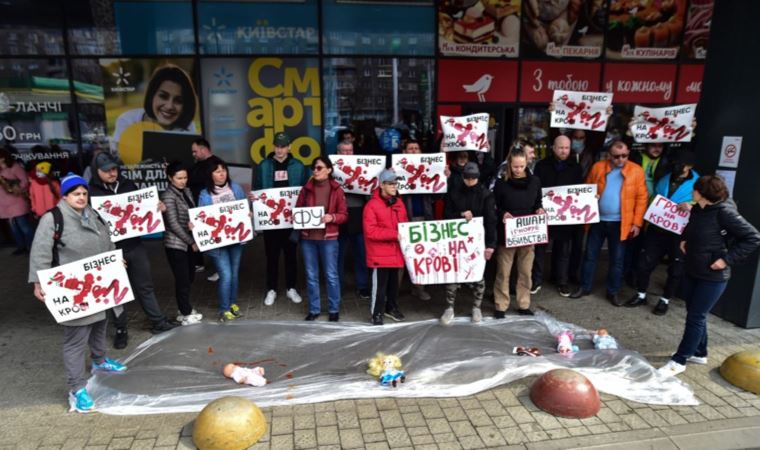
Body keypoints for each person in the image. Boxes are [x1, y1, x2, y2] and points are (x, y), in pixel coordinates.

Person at [28, 173, 127, 413]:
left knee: (100, 324)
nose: (81, 197)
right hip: (75, 290)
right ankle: (77, 389)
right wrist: (38, 282)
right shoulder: (53, 219)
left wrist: (116, 262)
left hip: (99, 285)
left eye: (84, 193)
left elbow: (108, 242)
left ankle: (100, 360)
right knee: (75, 339)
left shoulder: (94, 214)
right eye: (76, 194)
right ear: (65, 196)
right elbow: (40, 251)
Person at [659, 175, 760, 377]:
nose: (692, 193)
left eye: (695, 190)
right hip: (694, 268)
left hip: (714, 276)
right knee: (695, 312)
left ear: (703, 194)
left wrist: (726, 260)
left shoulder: (725, 213)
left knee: (696, 316)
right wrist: (684, 240)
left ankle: (679, 360)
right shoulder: (698, 208)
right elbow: (692, 228)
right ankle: (699, 352)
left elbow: (753, 237)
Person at [88, 152, 177, 348]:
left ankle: (158, 321)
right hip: (110, 251)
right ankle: (121, 329)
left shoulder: (128, 185)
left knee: (145, 285)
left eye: (114, 169)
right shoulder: (90, 192)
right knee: (116, 292)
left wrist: (157, 208)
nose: (112, 173)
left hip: (134, 245)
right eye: (107, 171)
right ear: (97, 171)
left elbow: (142, 209)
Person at [570, 141, 648, 305]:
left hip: (622, 222)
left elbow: (642, 199)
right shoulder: (598, 167)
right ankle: (585, 287)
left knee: (617, 260)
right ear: (609, 155)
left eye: (624, 156)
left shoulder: (636, 171)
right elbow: (587, 188)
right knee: (590, 256)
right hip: (597, 220)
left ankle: (613, 291)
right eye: (616, 156)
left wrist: (637, 223)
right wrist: (591, 197)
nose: (621, 159)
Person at [626, 152, 699, 315]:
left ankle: (665, 300)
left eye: (681, 165)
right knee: (644, 263)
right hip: (657, 229)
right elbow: (653, 199)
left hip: (679, 234)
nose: (677, 167)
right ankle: (641, 294)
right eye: (675, 164)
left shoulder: (698, 183)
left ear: (690, 167)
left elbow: (706, 206)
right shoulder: (665, 178)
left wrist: (692, 206)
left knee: (675, 269)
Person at [253, 132, 307, 306]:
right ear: (273, 146)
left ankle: (291, 288)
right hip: (271, 220)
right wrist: (255, 199)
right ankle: (271, 289)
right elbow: (257, 189)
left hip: (291, 220)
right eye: (277, 145)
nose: (280, 149)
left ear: (289, 147)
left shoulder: (299, 166)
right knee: (271, 256)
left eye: (283, 146)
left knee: (291, 255)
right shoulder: (263, 165)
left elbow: (306, 191)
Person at [440, 162, 497, 325]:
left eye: (473, 178)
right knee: (453, 274)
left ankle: (476, 307)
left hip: (477, 242)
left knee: (478, 274)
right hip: (456, 241)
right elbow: (446, 215)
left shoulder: (486, 194)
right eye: (467, 178)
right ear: (463, 177)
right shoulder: (454, 192)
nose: (470, 181)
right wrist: (460, 214)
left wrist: (490, 245)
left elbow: (491, 221)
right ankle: (449, 307)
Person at [197, 156, 251, 322]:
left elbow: (244, 207)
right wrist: (196, 225)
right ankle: (224, 308)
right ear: (210, 174)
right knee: (226, 275)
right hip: (218, 243)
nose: (221, 174)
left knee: (234, 274)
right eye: (217, 171)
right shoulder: (205, 194)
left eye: (223, 170)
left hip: (236, 239)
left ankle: (233, 304)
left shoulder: (235, 188)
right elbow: (201, 217)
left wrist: (248, 214)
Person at [295, 156, 348, 321]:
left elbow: (344, 215)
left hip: (329, 239)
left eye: (319, 168)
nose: (315, 171)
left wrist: (332, 218)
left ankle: (334, 309)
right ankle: (314, 309)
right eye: (314, 168)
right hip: (308, 238)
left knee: (331, 275)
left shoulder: (337, 189)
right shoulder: (306, 189)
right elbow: (297, 209)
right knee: (311, 275)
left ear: (329, 170)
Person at [492, 149, 544, 316]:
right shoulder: (501, 184)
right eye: (515, 166)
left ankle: (523, 304)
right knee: (503, 272)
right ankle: (501, 305)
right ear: (509, 165)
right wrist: (502, 213)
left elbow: (538, 202)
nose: (518, 169)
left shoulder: (535, 181)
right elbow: (495, 206)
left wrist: (540, 210)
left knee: (525, 271)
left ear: (526, 164)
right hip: (507, 233)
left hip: (528, 232)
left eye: (521, 166)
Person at [532, 135, 584, 297]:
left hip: (565, 217)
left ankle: (562, 281)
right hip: (545, 214)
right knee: (540, 250)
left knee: (563, 250)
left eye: (567, 148)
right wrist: (537, 207)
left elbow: (580, 192)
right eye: (560, 147)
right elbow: (535, 189)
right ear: (553, 148)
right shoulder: (541, 166)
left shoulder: (576, 168)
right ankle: (536, 280)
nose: (563, 151)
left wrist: (590, 198)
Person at [110, 65, 198, 156]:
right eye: (163, 96)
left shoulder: (188, 126)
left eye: (178, 101)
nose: (169, 106)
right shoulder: (128, 120)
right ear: (152, 95)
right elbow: (117, 158)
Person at [364, 169, 409, 325]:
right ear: (381, 185)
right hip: (380, 255)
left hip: (396, 252)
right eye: (390, 183)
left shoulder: (399, 203)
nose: (394, 186)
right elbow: (370, 231)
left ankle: (391, 308)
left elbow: (404, 225)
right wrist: (393, 234)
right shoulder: (371, 205)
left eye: (395, 183)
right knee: (379, 287)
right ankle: (376, 313)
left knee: (393, 285)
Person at [161, 161, 202, 326]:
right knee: (183, 279)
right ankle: (185, 314)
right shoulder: (168, 196)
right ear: (170, 178)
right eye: (179, 178)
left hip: (188, 242)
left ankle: (183, 309)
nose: (183, 181)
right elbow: (173, 224)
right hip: (176, 244)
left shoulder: (187, 191)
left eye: (185, 177)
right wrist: (191, 241)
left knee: (189, 276)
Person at [399, 139, 433, 301]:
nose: (413, 151)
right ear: (404, 152)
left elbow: (439, 195)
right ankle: (394, 291)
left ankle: (419, 289)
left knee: (421, 256)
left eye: (416, 148)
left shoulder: (429, 169)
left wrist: (443, 177)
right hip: (404, 219)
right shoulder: (398, 169)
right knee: (400, 256)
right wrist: (393, 175)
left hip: (424, 219)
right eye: (410, 148)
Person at [335, 141, 370, 299]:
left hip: (358, 213)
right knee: (338, 254)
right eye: (344, 151)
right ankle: (338, 286)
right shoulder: (332, 170)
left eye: (350, 151)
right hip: (338, 215)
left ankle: (362, 286)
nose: (347, 154)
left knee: (361, 253)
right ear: (338, 153)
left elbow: (370, 195)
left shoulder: (363, 170)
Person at [187, 138, 216, 277]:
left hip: (211, 208)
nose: (193, 154)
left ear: (204, 149)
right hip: (197, 208)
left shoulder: (215, 164)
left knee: (215, 237)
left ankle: (220, 269)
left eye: (195, 151)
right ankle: (200, 263)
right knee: (199, 235)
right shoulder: (198, 164)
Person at [0, 147, 34, 254]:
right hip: (4, 204)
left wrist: (16, 188)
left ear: (3, 157)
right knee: (14, 228)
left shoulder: (14, 167)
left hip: (17, 202)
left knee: (24, 227)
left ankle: (32, 247)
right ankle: (21, 247)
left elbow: (25, 181)